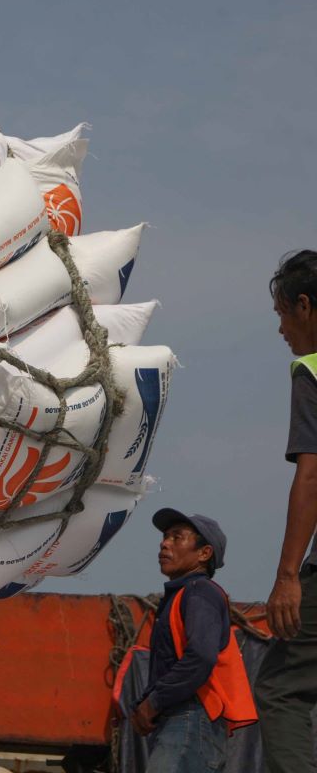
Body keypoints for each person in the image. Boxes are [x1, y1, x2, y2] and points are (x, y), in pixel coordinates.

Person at [131, 510, 256, 772]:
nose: (164, 543)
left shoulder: (200, 592)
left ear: (204, 553)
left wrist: (152, 702)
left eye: (178, 537)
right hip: (181, 721)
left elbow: (200, 657)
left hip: (189, 718)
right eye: (165, 537)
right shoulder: (181, 597)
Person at [256, 250, 317, 772]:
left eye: (281, 315)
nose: (281, 329)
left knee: (281, 687)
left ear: (305, 306)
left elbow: (312, 475)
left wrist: (287, 575)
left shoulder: (311, 370)